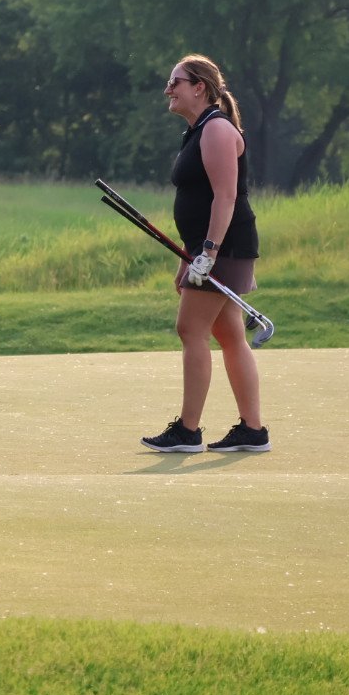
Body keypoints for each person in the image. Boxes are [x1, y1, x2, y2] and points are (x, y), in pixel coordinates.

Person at [141, 54, 269, 454]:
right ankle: (253, 430)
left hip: (225, 246)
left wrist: (208, 253)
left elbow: (225, 197)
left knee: (190, 330)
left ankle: (188, 431)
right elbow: (197, 204)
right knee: (229, 334)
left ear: (199, 87)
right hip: (210, 248)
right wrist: (188, 256)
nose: (168, 89)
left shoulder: (216, 129)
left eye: (175, 81)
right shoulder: (199, 130)